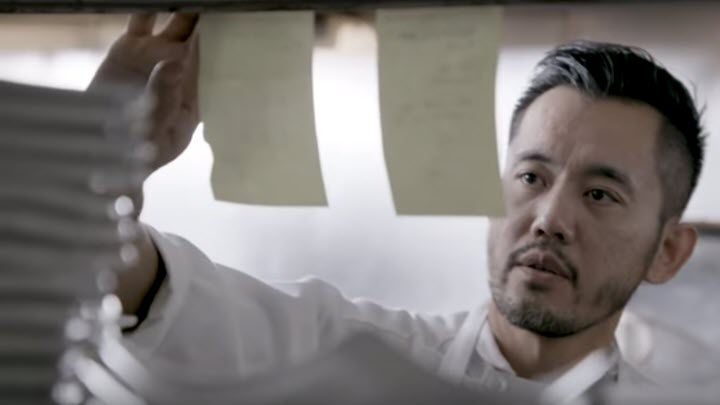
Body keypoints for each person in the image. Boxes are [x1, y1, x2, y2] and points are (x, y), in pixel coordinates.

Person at [91, 12, 706, 401]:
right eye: (530, 176)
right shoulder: (351, 361)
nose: (548, 219)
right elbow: (143, 290)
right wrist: (97, 164)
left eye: (600, 194)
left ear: (668, 251)